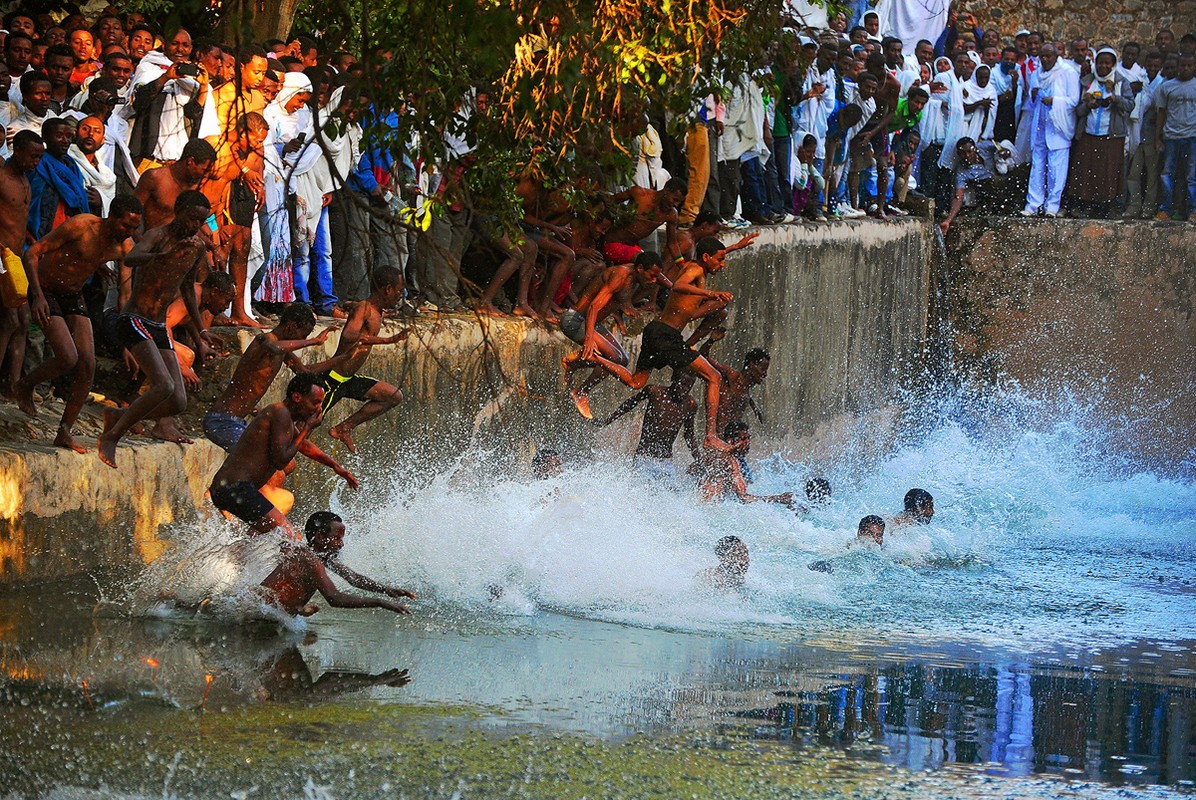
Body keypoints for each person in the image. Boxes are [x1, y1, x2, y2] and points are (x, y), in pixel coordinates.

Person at [13, 196, 143, 452]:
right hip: (46, 288)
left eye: (133, 228)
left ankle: (64, 431)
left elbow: (125, 297)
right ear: (111, 218)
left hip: (73, 294)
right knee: (68, 356)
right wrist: (37, 296)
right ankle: (24, 385)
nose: (128, 233)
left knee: (88, 362)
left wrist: (127, 341)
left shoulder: (124, 247)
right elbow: (33, 254)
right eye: (125, 226)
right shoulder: (82, 225)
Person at [97, 190, 214, 467]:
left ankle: (117, 417)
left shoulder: (196, 247)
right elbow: (132, 258)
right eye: (192, 218)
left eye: (201, 221)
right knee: (163, 385)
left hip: (158, 324)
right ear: (179, 210)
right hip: (135, 319)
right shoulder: (158, 236)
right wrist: (162, 255)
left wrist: (202, 333)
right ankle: (113, 435)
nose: (195, 225)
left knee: (178, 402)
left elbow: (187, 288)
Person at [586, 237, 732, 450]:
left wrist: (737, 246)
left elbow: (707, 261)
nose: (722, 265)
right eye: (720, 260)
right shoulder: (695, 271)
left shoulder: (693, 266)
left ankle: (594, 357)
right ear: (706, 257)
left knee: (636, 382)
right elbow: (679, 286)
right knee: (714, 377)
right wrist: (711, 293)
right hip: (666, 336)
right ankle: (710, 436)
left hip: (656, 331)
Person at [209, 372, 356, 538]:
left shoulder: (283, 415)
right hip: (235, 489)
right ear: (297, 397)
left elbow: (305, 446)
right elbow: (281, 461)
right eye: (315, 402)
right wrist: (307, 427)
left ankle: (233, 561)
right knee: (291, 539)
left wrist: (335, 466)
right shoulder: (280, 412)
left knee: (277, 541)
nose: (319, 409)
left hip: (234, 490)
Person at [203, 303, 331, 450]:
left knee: (283, 466)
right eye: (303, 335)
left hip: (238, 421)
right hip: (222, 421)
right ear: (291, 326)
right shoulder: (264, 340)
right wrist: (313, 341)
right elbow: (274, 347)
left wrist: (344, 356)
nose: (303, 339)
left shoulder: (282, 351)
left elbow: (305, 372)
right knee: (269, 463)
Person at [559, 251, 669, 418]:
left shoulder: (637, 276)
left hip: (594, 323)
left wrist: (680, 289)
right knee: (614, 358)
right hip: (575, 320)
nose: (654, 281)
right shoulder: (621, 275)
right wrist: (588, 338)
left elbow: (663, 281)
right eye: (652, 276)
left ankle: (575, 368)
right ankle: (580, 389)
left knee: (623, 360)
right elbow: (594, 306)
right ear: (640, 268)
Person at [312, 266, 408, 453]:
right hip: (333, 379)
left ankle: (344, 428)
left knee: (393, 396)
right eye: (398, 291)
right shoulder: (364, 308)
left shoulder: (376, 311)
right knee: (306, 425)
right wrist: (387, 340)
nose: (400, 296)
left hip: (348, 380)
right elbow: (349, 335)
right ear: (387, 289)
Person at [259, 511, 416, 617]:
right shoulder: (310, 559)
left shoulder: (319, 556)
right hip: (257, 612)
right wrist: (379, 602)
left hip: (267, 613)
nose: (341, 545)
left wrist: (385, 590)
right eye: (337, 538)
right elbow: (334, 598)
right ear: (320, 537)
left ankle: (298, 609)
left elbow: (353, 578)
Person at [200, 111, 267, 327]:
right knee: (215, 254)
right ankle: (206, 317)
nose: (258, 145)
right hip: (203, 212)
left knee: (236, 248)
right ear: (242, 132)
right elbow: (198, 187)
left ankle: (235, 311)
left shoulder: (245, 151)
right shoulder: (216, 147)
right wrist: (210, 225)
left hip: (221, 208)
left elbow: (222, 194)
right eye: (256, 140)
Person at [594, 368, 699, 481]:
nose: (684, 389)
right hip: (644, 459)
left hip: (666, 462)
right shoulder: (655, 392)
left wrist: (698, 459)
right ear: (673, 378)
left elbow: (689, 435)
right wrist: (607, 421)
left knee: (670, 494)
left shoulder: (690, 404)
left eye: (689, 386)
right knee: (641, 492)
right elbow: (630, 404)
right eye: (682, 383)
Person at [0, 132, 43, 399]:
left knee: (24, 321)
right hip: (1, 257)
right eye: (33, 156)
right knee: (10, 319)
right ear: (17, 151)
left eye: (39, 157)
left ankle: (14, 385)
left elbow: (18, 220)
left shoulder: (26, 181)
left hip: (16, 259)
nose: (36, 162)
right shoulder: (2, 178)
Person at [1069, 47, 1134, 217]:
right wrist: (1088, 105)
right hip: (1089, 134)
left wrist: (1115, 99)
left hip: (1111, 135)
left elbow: (1130, 106)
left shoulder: (1121, 82)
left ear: (1113, 65)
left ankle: (1108, 207)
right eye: (1100, 63)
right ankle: (1086, 205)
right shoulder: (1088, 81)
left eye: (1107, 63)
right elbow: (1078, 110)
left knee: (1109, 171)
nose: (1103, 66)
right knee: (1087, 170)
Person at [1021, 45, 1079, 217]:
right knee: (1037, 166)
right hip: (1040, 124)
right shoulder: (1037, 73)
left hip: (1058, 126)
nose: (1045, 60)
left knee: (1056, 168)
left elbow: (1074, 100)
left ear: (1056, 56)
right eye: (1042, 56)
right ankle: (1033, 205)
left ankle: (1052, 207)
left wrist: (1054, 100)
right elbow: (1031, 101)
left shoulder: (1068, 72)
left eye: (1048, 56)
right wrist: (1034, 95)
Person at [691, 422, 795, 507]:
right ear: (730, 440)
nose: (747, 443)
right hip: (708, 508)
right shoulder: (728, 460)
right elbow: (744, 498)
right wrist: (778, 498)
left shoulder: (738, 461)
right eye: (743, 439)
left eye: (748, 438)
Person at [28, 117, 93, 240]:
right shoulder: (37, 165)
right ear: (45, 138)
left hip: (69, 229)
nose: (65, 140)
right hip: (44, 230)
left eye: (68, 136)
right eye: (59, 135)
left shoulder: (72, 165)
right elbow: (32, 200)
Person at [135, 139, 217, 229]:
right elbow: (132, 213)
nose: (206, 175)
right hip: (153, 239)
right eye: (204, 170)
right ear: (190, 161)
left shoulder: (197, 185)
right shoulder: (155, 177)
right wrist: (143, 241)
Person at [602, 178, 686, 266]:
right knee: (648, 264)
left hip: (632, 247)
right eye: (675, 200)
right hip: (611, 244)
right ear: (666, 191)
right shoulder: (640, 194)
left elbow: (672, 243)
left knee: (654, 265)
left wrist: (682, 266)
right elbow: (608, 202)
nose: (676, 205)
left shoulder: (671, 214)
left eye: (679, 202)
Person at [1154, 52, 1196, 222]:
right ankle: (1166, 210)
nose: (1185, 69)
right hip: (1171, 137)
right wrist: (1158, 137)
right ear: (1178, 66)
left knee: (1192, 176)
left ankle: (1193, 210)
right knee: (1167, 174)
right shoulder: (1167, 86)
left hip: (1192, 136)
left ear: (1194, 67)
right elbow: (1161, 113)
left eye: (1189, 65)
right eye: (1182, 65)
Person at [938, 137, 992, 233]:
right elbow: (959, 196)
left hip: (1002, 180)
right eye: (963, 153)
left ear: (975, 149)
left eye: (969, 151)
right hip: (986, 189)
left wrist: (1004, 152)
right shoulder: (961, 171)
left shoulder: (986, 147)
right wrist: (948, 220)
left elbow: (1002, 146)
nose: (967, 155)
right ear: (959, 154)